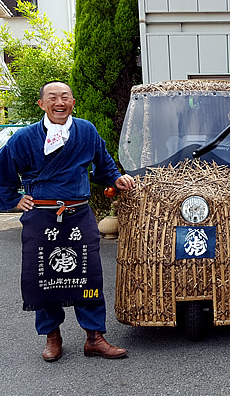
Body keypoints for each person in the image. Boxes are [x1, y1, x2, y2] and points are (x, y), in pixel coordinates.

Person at [0, 81, 136, 362]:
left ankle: (94, 337)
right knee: (44, 278)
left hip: (78, 214)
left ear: (73, 102)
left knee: (89, 274)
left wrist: (115, 177)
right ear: (42, 104)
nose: (59, 102)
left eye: (65, 97)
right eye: (52, 97)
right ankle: (52, 336)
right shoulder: (23, 138)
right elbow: (3, 174)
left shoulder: (85, 130)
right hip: (41, 217)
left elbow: (103, 161)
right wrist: (13, 200)